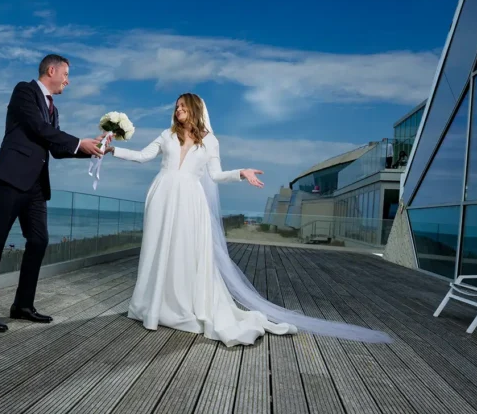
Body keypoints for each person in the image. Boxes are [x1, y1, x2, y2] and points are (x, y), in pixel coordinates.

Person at [107, 92, 392, 346]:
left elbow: (216, 175)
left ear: (194, 109)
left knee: (185, 251)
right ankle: (153, 304)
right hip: (163, 196)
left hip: (190, 202)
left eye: (183, 106)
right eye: (176, 106)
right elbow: (143, 156)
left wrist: (241, 172)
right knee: (159, 249)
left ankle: (180, 307)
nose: (178, 109)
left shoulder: (210, 142)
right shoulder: (166, 135)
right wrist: (112, 149)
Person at [0, 54, 104, 333]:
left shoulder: (53, 109)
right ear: (52, 70)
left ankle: (22, 305)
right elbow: (38, 129)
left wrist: (93, 150)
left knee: (40, 241)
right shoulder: (24, 91)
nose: (68, 81)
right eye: (66, 74)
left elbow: (55, 148)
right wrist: (79, 141)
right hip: (10, 180)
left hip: (35, 186)